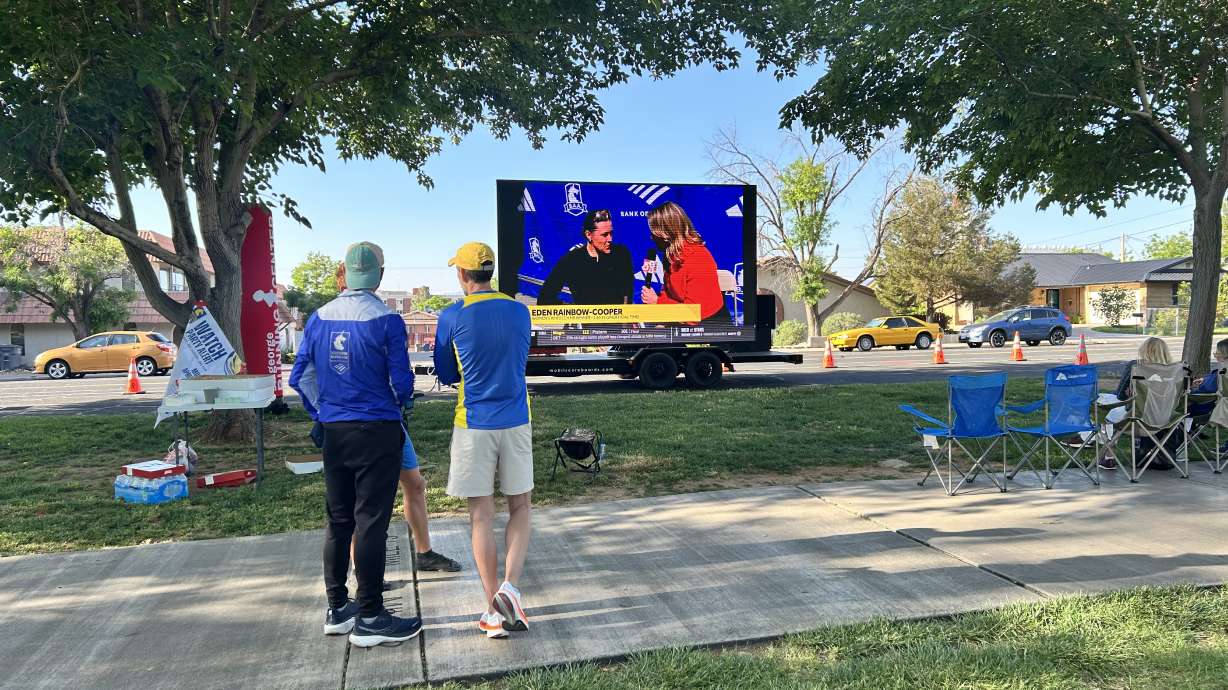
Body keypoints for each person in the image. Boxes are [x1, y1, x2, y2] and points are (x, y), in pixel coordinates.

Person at [289, 241, 422, 648]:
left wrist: (321, 414)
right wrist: (399, 402)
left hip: (334, 431)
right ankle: (371, 615)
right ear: (379, 275)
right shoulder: (387, 320)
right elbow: (402, 384)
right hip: (376, 429)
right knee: (371, 522)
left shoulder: (317, 318)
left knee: (339, 519)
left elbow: (301, 376)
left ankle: (337, 608)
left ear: (344, 273)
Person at [331, 260, 462, 576]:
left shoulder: (381, 319)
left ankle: (424, 552)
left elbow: (398, 376)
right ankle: (363, 577)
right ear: (343, 281)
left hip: (389, 420)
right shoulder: (332, 319)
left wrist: (399, 400)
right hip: (360, 423)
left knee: (414, 484)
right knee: (360, 501)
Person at [434, 242, 533, 640]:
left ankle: (493, 608)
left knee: (481, 515)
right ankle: (511, 587)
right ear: (490, 272)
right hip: (516, 418)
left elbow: (444, 370)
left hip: (473, 421)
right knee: (521, 505)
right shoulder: (520, 310)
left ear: (462, 274)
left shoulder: (453, 314)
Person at [639, 201, 730, 324]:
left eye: (653, 233)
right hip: (682, 321)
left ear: (666, 233)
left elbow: (693, 314)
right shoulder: (671, 255)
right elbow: (669, 294)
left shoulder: (698, 258)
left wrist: (657, 302)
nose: (651, 237)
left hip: (711, 326)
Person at [1099, 336, 1178, 470]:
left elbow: (1121, 395)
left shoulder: (1136, 366)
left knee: (1100, 404)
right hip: (1165, 419)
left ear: (1145, 352)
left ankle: (1108, 455)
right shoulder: (1174, 371)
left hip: (1137, 419)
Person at [537, 209, 635, 305]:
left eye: (611, 233)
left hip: (617, 319)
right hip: (584, 320)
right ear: (588, 235)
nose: (610, 239)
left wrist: (626, 318)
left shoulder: (621, 254)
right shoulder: (572, 260)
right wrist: (574, 313)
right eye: (604, 235)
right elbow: (545, 298)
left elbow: (627, 292)